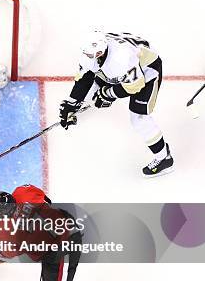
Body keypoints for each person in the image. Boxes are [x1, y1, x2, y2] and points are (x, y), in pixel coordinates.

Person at [59, 31, 173, 177]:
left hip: (147, 70)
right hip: (125, 66)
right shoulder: (92, 51)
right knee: (92, 89)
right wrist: (72, 103)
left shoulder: (122, 58)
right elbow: (85, 79)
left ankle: (164, 158)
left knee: (138, 118)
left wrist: (108, 94)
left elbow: (135, 86)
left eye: (92, 56)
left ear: (101, 52)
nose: (89, 58)